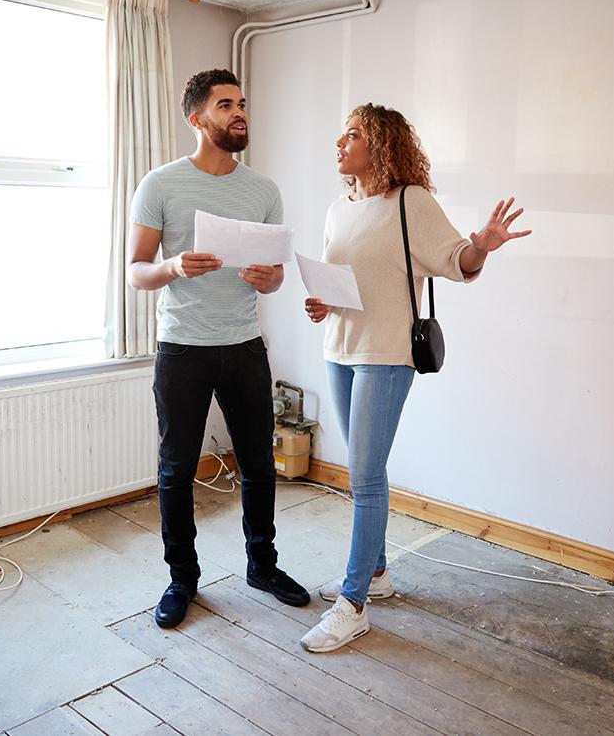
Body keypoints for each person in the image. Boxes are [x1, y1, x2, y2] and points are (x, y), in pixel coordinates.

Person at [299, 103, 531, 652]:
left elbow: (458, 260)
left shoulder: (411, 202)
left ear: (379, 146)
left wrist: (482, 245)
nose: (340, 143)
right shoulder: (338, 208)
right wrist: (321, 303)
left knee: (365, 476)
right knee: (362, 474)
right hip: (339, 348)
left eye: (352, 135)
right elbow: (348, 281)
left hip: (386, 354)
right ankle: (376, 576)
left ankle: (353, 604)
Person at [127, 69, 310, 629]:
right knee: (176, 469)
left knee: (258, 464)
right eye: (226, 104)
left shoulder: (263, 191)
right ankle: (182, 578)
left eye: (242, 103)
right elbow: (137, 272)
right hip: (183, 349)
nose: (240, 113)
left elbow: (277, 276)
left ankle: (263, 566)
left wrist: (267, 279)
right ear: (196, 119)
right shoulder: (160, 184)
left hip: (245, 345)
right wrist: (174, 266)